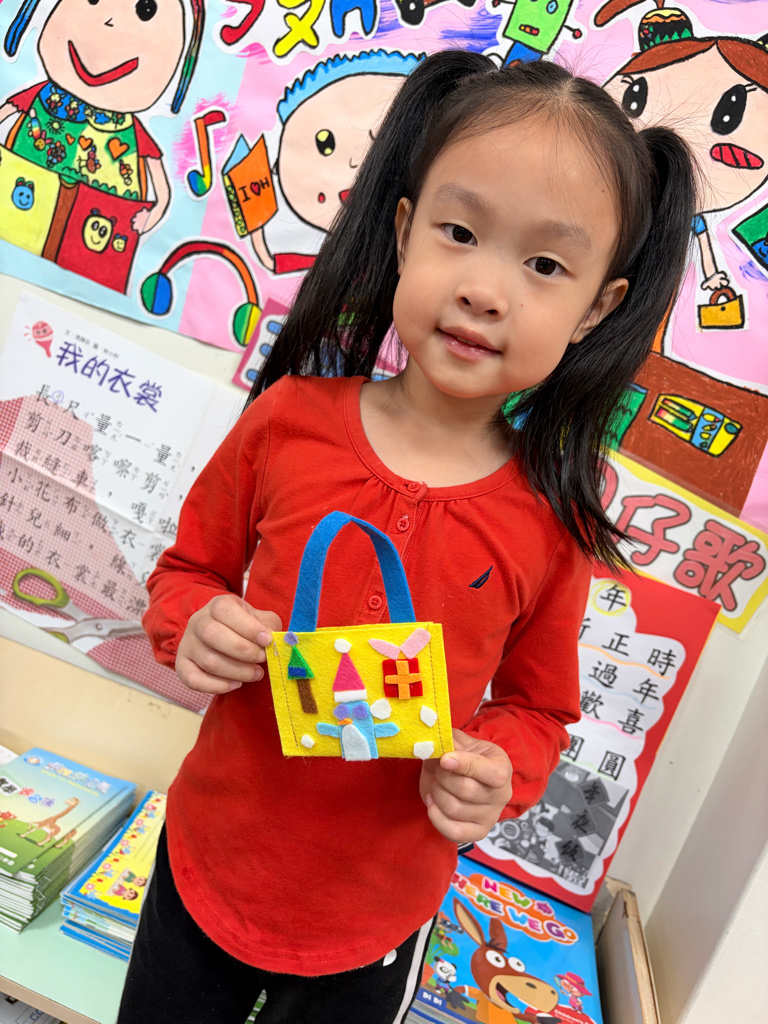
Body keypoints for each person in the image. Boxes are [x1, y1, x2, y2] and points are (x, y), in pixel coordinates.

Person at [117, 50, 695, 1024]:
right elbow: (187, 572)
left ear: (596, 307)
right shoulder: (288, 420)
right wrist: (196, 622)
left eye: (545, 265)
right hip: (208, 862)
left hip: (375, 914)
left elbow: (537, 710)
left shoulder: (550, 522)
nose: (485, 290)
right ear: (403, 229)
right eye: (459, 233)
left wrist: (495, 772)